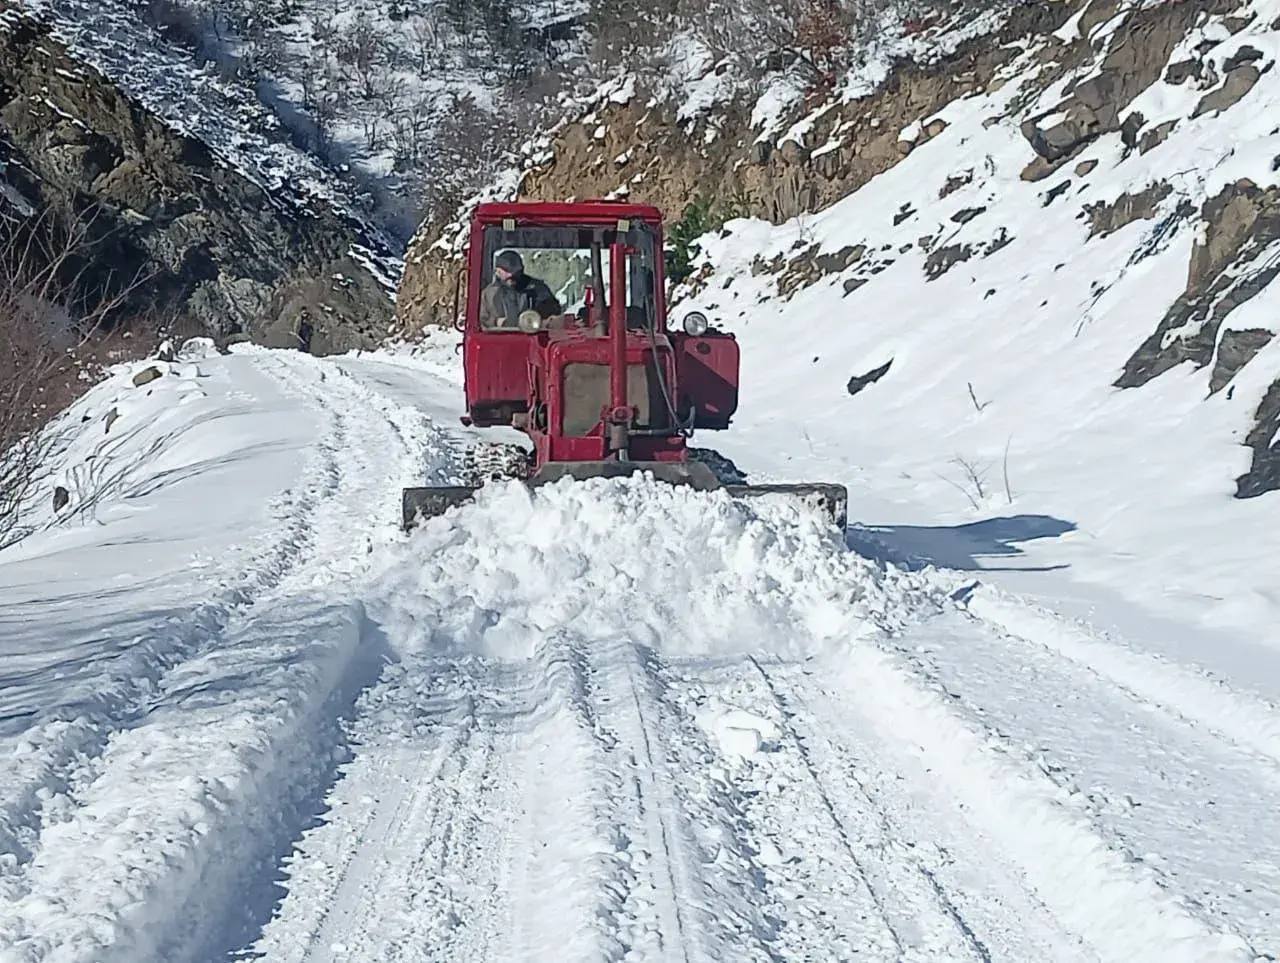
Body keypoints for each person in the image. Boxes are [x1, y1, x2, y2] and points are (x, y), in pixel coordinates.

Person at [480, 250, 562, 328]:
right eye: (507, 272)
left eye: (516, 273)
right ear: (498, 271)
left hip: (533, 337)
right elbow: (480, 320)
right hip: (498, 339)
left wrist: (541, 318)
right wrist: (496, 322)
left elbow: (553, 312)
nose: (511, 275)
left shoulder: (537, 289)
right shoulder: (489, 295)